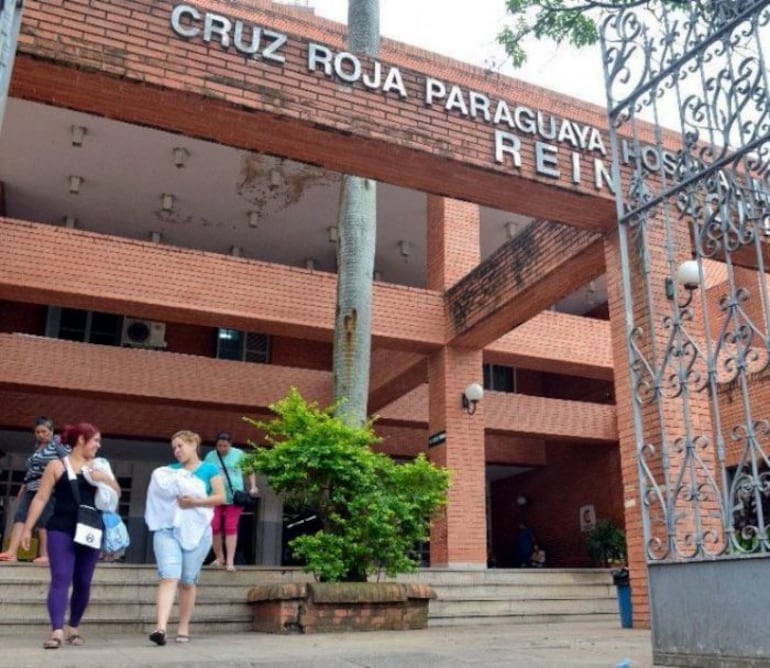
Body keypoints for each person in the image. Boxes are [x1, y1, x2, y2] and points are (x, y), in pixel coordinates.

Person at [20, 422, 120, 649]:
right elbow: (41, 498)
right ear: (81, 440)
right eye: (95, 440)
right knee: (61, 577)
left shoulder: (99, 465)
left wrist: (103, 478)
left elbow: (116, 494)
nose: (99, 445)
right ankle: (56, 631)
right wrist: (27, 528)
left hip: (90, 530)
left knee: (83, 581)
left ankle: (73, 627)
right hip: (61, 527)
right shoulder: (56, 465)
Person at [144, 430, 224, 646]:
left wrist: (195, 503)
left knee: (187, 580)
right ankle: (160, 628)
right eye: (174, 448)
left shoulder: (209, 469)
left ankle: (183, 627)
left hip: (197, 531)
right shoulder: (169, 471)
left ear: (193, 444)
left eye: (180, 446)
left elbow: (220, 497)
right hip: (168, 528)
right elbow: (160, 492)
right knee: (169, 575)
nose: (177, 451)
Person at [0, 417, 70, 564]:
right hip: (30, 486)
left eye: (44, 431)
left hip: (47, 488)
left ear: (51, 431)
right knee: (20, 517)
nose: (40, 434)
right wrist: (23, 486)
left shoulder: (57, 443)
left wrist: (53, 470)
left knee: (45, 520)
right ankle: (11, 552)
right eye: (37, 432)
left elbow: (68, 462)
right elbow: (30, 469)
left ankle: (45, 554)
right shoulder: (36, 447)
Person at [203, 431, 259, 572]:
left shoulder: (239, 454)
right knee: (214, 526)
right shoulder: (210, 456)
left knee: (230, 527)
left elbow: (250, 470)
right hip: (215, 495)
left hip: (234, 497)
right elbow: (204, 474)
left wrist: (253, 486)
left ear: (230, 444)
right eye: (219, 446)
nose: (222, 449)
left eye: (225, 446)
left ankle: (230, 561)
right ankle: (219, 557)